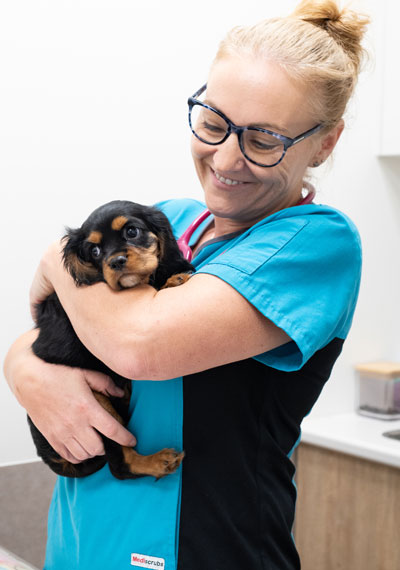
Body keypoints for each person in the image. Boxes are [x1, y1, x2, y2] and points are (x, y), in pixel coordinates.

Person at [4, 1, 370, 569]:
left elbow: (140, 344)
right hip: (79, 540)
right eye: (214, 122)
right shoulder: (170, 220)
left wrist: (59, 254)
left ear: (325, 143)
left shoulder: (315, 244)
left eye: (265, 139)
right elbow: (53, 319)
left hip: (203, 551)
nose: (226, 157)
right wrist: (23, 366)